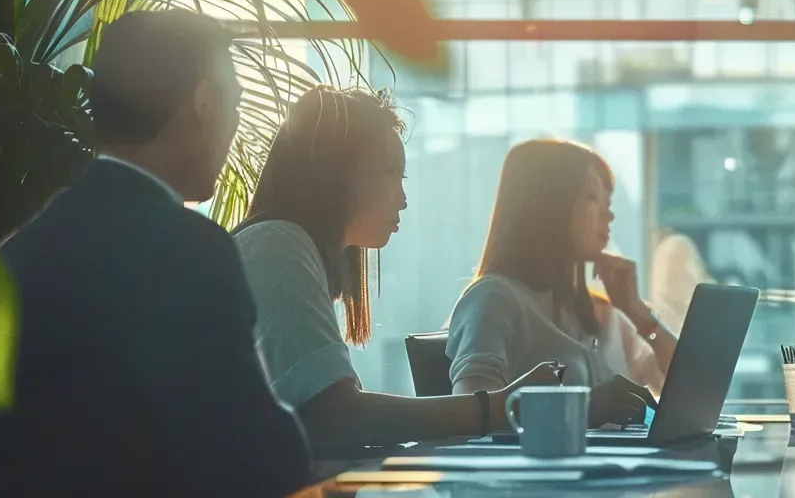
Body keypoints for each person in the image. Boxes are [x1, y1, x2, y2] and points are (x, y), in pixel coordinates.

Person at [0, 11, 313, 496]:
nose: (236, 123)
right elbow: (262, 464)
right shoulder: (187, 253)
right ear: (203, 104)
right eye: (235, 103)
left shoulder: (23, 248)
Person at [233, 86, 562, 448]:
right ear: (337, 173)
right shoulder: (275, 244)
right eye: (392, 174)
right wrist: (499, 407)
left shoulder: (286, 247)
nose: (403, 199)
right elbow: (337, 415)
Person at [444, 138, 671, 426]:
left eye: (608, 201)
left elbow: (686, 391)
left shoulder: (598, 313)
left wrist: (638, 312)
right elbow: (470, 414)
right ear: (548, 201)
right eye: (591, 196)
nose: (608, 214)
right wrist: (584, 408)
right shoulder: (495, 299)